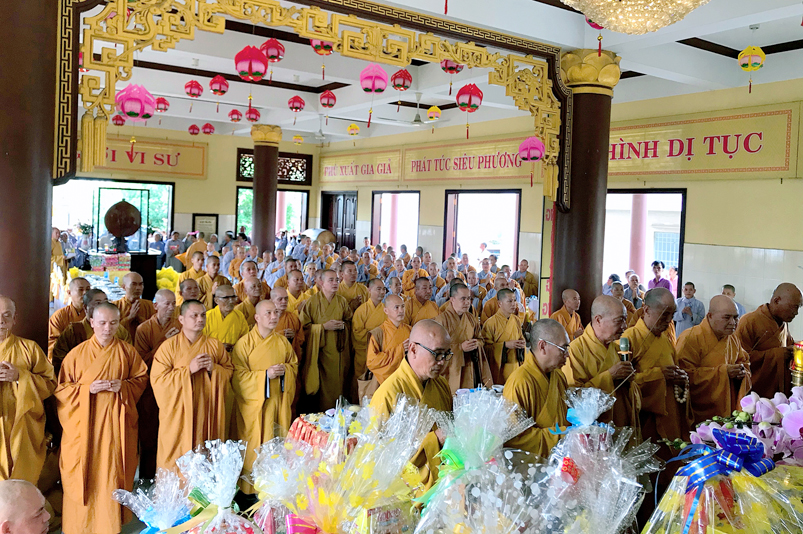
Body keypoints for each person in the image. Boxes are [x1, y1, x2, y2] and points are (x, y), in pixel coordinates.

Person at [56, 303, 148, 534]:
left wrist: (123, 387)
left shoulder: (128, 352)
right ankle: (79, 526)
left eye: (113, 323)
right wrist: (86, 389)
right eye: (103, 323)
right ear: (92, 323)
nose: (108, 328)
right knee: (82, 473)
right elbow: (62, 391)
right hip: (83, 429)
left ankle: (109, 525)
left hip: (115, 428)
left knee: (112, 473)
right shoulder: (75, 355)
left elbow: (140, 380)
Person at [369, 320, 452, 493]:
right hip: (405, 493)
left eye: (446, 354)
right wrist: (434, 440)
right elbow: (380, 461)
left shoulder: (441, 384)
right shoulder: (388, 394)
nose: (442, 362)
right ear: (413, 349)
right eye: (437, 354)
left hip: (443, 484)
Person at [151, 300, 234, 470]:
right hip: (178, 413)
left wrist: (214, 369)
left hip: (206, 409)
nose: (200, 319)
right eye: (194, 315)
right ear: (181, 319)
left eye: (203, 315)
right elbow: (158, 381)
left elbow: (229, 371)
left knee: (204, 453)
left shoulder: (215, 345)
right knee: (174, 455)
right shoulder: (168, 347)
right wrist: (188, 370)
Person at [232, 300, 297, 494]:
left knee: (276, 443)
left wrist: (286, 371)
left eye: (276, 312)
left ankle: (274, 488)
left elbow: (293, 365)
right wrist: (264, 376)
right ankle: (250, 490)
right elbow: (237, 376)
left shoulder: (282, 342)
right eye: (268, 313)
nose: (274, 316)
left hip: (278, 402)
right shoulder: (244, 344)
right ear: (257, 317)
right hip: (254, 406)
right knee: (253, 444)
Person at [0, 297, 56, 483]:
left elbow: (50, 383)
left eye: (6, 315)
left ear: (14, 319)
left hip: (22, 424)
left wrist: (21, 377)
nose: (1, 321)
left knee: (21, 478)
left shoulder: (29, 348)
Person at [621, 288, 687, 446]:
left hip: (669, 414)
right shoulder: (629, 338)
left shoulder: (666, 339)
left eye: (672, 314)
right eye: (664, 314)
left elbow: (675, 371)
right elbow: (622, 385)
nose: (669, 320)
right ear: (646, 310)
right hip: (644, 419)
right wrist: (658, 375)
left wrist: (680, 380)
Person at [567, 295, 640, 433]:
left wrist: (630, 382)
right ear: (598, 320)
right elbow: (573, 398)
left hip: (622, 424)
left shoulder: (618, 349)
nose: (624, 326)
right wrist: (609, 376)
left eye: (625, 320)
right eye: (619, 321)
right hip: (595, 432)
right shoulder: (575, 350)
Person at [677, 295, 750, 426]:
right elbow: (682, 377)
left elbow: (744, 362)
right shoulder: (691, 337)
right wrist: (723, 372)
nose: (733, 322)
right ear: (710, 316)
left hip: (726, 409)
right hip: (698, 413)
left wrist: (741, 372)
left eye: (736, 317)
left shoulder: (733, 338)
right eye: (727, 317)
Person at [503, 319, 570, 457]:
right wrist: (564, 436)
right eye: (563, 348)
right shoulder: (519, 382)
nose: (567, 354)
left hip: (563, 459)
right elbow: (515, 439)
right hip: (535, 465)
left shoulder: (559, 375)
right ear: (543, 346)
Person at [132, 289, 180, 481]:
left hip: (174, 387)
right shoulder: (143, 329)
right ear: (155, 306)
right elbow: (142, 362)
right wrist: (164, 342)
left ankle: (170, 475)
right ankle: (147, 477)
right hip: (150, 389)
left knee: (173, 432)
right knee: (149, 433)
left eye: (173, 303)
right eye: (167, 303)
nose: (171, 307)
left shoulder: (180, 326)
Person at [299, 270, 353, 412]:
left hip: (339, 353)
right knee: (321, 390)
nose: (335, 283)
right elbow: (303, 329)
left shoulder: (342, 301)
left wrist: (344, 326)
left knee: (338, 386)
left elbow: (349, 322)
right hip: (319, 354)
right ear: (321, 282)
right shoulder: (312, 302)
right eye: (331, 280)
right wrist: (323, 327)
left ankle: (338, 414)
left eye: (337, 280)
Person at [736, 283, 801, 398]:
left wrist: (795, 349)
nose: (796, 313)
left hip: (778, 392)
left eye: (798, 307)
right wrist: (778, 354)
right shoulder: (749, 321)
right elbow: (738, 360)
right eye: (793, 307)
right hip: (754, 393)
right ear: (776, 301)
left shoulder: (783, 323)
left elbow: (789, 347)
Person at [51, 289, 132, 375]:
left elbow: (129, 357)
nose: (103, 307)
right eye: (98, 303)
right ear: (85, 308)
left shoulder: (119, 330)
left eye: (105, 303)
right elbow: (60, 361)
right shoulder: (73, 331)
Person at [435, 283, 492, 393]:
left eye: (469, 299)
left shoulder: (471, 318)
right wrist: (460, 347)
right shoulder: (441, 320)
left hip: (469, 366)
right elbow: (437, 349)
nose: (467, 302)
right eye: (463, 299)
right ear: (452, 299)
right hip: (450, 369)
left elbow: (481, 339)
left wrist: (476, 343)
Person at [481, 288, 526, 384]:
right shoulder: (490, 323)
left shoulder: (516, 320)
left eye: (515, 300)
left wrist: (522, 343)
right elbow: (485, 349)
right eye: (509, 301)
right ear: (499, 304)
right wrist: (504, 345)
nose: (514, 304)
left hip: (515, 365)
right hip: (499, 369)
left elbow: (520, 337)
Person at [366, 294, 411, 387]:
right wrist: (400, 350)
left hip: (407, 380)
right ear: (386, 311)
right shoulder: (378, 333)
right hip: (384, 383)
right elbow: (372, 361)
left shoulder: (410, 330)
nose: (401, 310)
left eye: (403, 306)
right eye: (396, 307)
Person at [352, 279, 388, 393]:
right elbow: (357, 333)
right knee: (362, 383)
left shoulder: (386, 310)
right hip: (364, 353)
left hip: (382, 353)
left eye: (384, 289)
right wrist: (376, 335)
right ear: (369, 290)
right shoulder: (361, 311)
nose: (382, 292)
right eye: (378, 289)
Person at [47, 277, 90, 359]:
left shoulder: (95, 314)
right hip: (67, 358)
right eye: (81, 290)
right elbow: (52, 343)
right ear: (69, 293)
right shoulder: (59, 316)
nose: (85, 293)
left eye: (88, 289)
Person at [203, 286, 249, 352]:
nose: (231, 301)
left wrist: (236, 347)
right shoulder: (207, 317)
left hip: (234, 355)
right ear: (216, 300)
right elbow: (199, 342)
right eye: (226, 298)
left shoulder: (239, 315)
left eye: (233, 297)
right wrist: (217, 346)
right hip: (212, 355)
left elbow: (245, 338)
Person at [113, 272, 156, 340]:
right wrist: (129, 318)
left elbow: (155, 329)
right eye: (134, 284)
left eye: (141, 284)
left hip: (145, 344)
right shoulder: (115, 306)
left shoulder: (149, 305)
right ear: (123, 287)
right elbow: (112, 330)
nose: (138, 288)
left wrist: (140, 318)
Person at [270, 287, 304, 362]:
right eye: (280, 299)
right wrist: (281, 335)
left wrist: (294, 337)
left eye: (286, 299)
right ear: (272, 301)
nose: (284, 302)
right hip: (271, 358)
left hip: (290, 360)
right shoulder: (265, 319)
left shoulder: (293, 318)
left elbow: (301, 340)